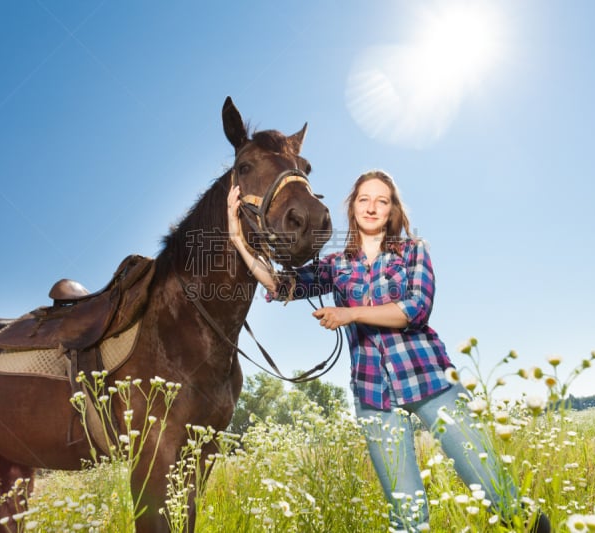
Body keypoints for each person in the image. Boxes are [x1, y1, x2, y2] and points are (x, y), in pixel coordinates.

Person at [227, 170, 551, 532]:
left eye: (382, 200)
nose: (372, 207)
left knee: (493, 485)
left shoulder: (413, 251)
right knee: (406, 513)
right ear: (353, 207)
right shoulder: (335, 266)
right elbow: (279, 284)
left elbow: (415, 309)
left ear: (392, 209)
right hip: (373, 394)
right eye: (364, 199)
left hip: (430, 380)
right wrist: (238, 240)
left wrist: (349, 313)